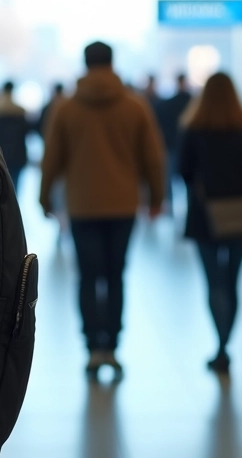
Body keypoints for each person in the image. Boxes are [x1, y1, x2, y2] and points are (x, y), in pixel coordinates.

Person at [40, 41, 167, 375]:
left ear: (85, 64)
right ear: (112, 63)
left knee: (87, 275)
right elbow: (153, 158)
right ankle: (112, 344)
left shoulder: (67, 108)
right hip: (124, 204)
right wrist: (156, 198)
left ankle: (92, 346)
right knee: (115, 275)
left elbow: (51, 157)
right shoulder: (134, 106)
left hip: (82, 204)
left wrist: (44, 198)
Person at [177, 73, 242, 374]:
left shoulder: (193, 128)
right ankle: (225, 345)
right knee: (232, 282)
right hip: (240, 213)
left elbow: (182, 171)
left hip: (203, 214)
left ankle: (219, 344)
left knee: (214, 282)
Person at [155, 73, 192, 212]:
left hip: (170, 145)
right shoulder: (192, 103)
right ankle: (187, 208)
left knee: (169, 179)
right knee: (187, 181)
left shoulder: (167, 104)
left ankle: (169, 210)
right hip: (180, 146)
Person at [0, 81, 31, 190]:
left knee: (1, 186)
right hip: (17, 154)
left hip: (0, 153)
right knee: (15, 187)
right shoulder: (20, 110)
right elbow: (26, 131)